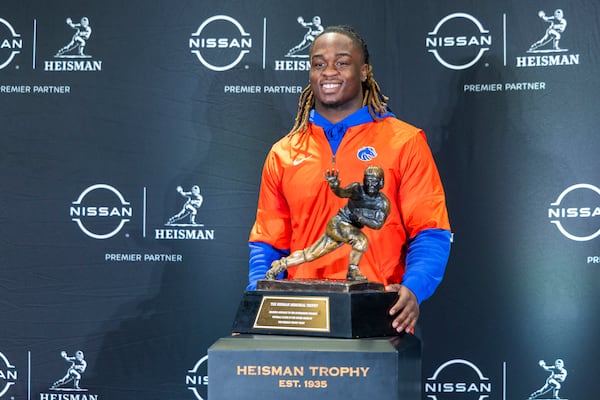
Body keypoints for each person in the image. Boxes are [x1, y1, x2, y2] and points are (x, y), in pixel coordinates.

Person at [247, 25, 451, 334]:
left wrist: (415, 288)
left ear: (365, 71)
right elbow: (268, 240)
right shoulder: (284, 152)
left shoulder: (405, 142)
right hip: (299, 318)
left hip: (377, 314)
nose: (329, 72)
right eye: (319, 64)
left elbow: (430, 230)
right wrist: (257, 302)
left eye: (341, 62)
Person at [266, 166, 390, 281]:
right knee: (361, 241)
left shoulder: (382, 203)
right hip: (339, 224)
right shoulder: (357, 189)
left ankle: (280, 265)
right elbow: (342, 193)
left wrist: (360, 218)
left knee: (310, 254)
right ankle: (353, 271)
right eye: (368, 180)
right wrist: (335, 187)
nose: (370, 184)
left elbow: (377, 224)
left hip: (347, 228)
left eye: (374, 181)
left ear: (381, 182)